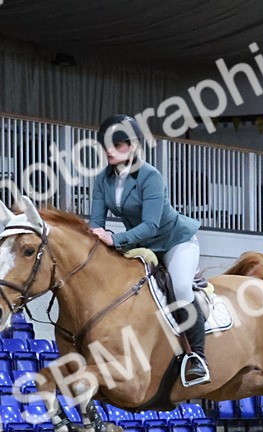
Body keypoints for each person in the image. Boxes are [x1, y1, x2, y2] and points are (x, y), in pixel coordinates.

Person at [87, 114, 210, 387]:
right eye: (107, 144)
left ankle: (198, 358)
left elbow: (151, 225)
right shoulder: (102, 180)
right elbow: (96, 223)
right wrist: (95, 238)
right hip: (140, 244)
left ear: (133, 146)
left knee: (179, 287)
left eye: (118, 144)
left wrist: (116, 239)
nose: (109, 150)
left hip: (175, 241)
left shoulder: (150, 176)